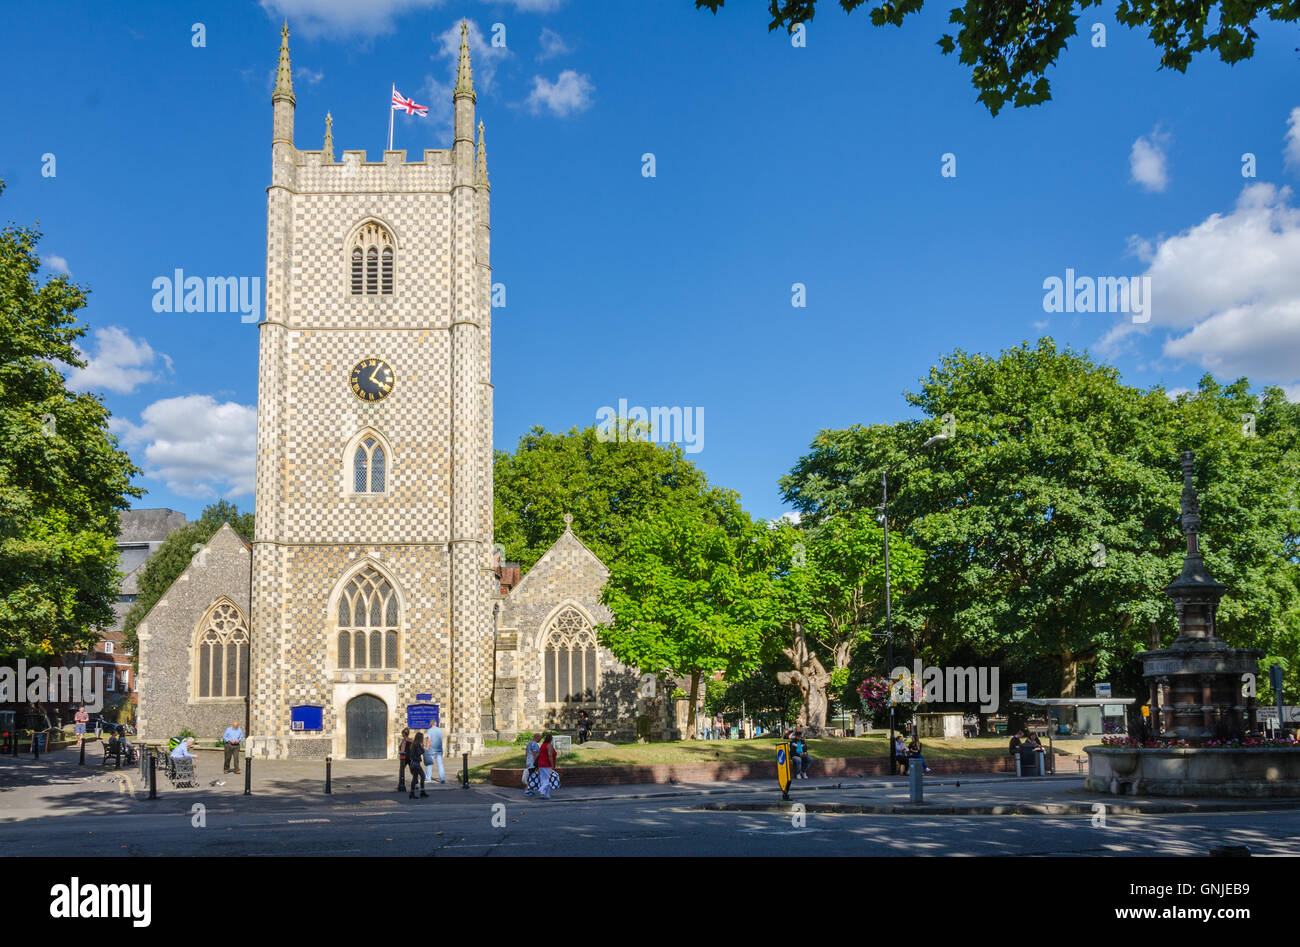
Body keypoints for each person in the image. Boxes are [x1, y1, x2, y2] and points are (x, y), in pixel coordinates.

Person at [536, 732, 557, 799]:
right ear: (551, 739)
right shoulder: (549, 745)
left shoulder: (542, 745)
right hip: (546, 764)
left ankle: (545, 794)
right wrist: (552, 765)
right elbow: (550, 756)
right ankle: (541, 790)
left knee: (543, 779)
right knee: (547, 779)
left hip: (540, 764)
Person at [425, 719, 446, 784]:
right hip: (439, 750)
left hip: (431, 750)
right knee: (440, 765)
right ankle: (442, 779)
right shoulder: (440, 730)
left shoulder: (430, 730)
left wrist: (427, 749)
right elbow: (441, 739)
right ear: (435, 724)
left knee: (429, 764)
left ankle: (428, 778)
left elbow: (429, 740)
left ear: (431, 724)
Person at [408, 732, 427, 798]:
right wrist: (423, 749)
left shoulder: (414, 744)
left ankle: (413, 793)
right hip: (416, 764)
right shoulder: (417, 744)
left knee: (416, 777)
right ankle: (421, 792)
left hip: (413, 763)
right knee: (422, 776)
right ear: (420, 738)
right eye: (422, 738)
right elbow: (419, 752)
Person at [396, 727, 411, 792]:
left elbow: (402, 749)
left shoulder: (404, 741)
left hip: (404, 758)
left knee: (401, 770)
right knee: (412, 770)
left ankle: (401, 784)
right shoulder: (411, 740)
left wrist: (401, 752)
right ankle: (416, 783)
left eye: (402, 733)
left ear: (404, 734)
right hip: (410, 757)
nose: (402, 735)